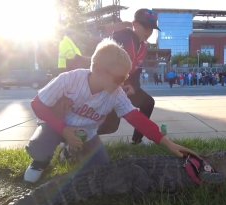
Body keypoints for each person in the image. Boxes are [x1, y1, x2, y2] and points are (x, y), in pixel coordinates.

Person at [24, 39, 195, 183]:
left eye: (126, 78)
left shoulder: (116, 93)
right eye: (120, 78)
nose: (122, 83)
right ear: (98, 69)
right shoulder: (69, 80)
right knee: (39, 147)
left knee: (101, 169)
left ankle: (68, 152)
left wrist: (168, 143)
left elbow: (137, 118)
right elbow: (37, 104)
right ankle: (41, 161)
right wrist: (63, 129)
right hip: (57, 126)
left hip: (87, 134)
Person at [97, 8, 161, 144]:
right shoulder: (123, 38)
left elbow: (136, 70)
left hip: (124, 87)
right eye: (146, 28)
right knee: (110, 126)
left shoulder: (143, 46)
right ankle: (75, 137)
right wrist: (121, 85)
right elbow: (107, 66)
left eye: (152, 29)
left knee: (148, 102)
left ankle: (137, 141)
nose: (149, 32)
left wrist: (133, 86)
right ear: (135, 25)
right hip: (108, 87)